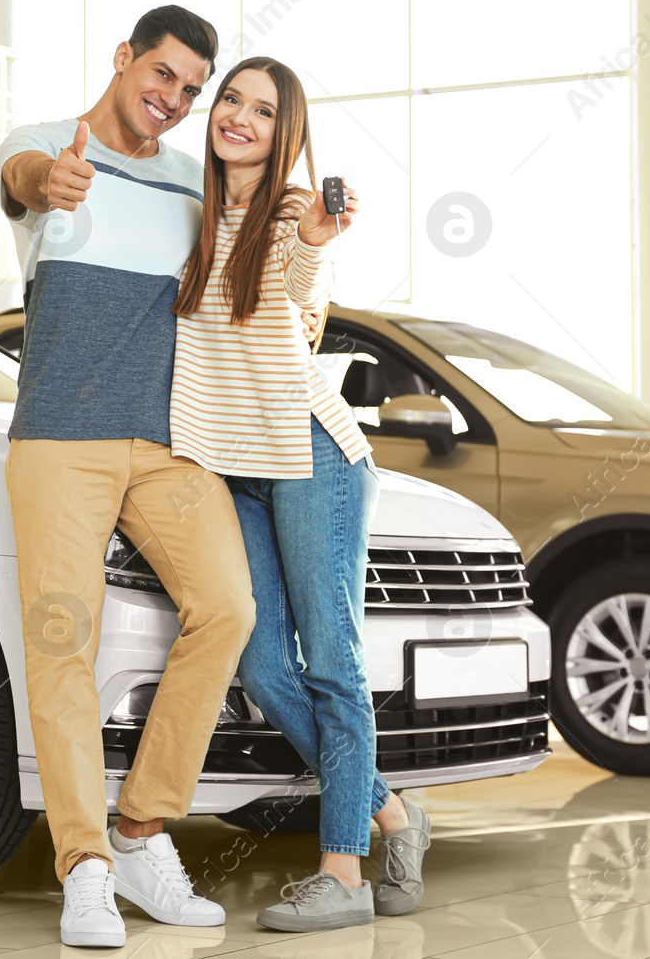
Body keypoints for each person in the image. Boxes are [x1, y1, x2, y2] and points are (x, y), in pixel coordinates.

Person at [0, 5, 253, 948]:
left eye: (191, 90)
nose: (175, 100)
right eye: (164, 76)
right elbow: (26, 179)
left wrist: (310, 232)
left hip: (166, 442)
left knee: (227, 606)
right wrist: (54, 180)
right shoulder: (41, 147)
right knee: (65, 640)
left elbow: (251, 272)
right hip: (60, 437)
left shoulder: (194, 183)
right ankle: (86, 868)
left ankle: (142, 829)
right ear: (123, 58)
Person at [169, 56, 432, 932]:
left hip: (312, 449)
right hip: (232, 462)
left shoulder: (287, 211)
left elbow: (299, 294)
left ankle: (343, 872)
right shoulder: (195, 213)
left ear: (287, 131)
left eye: (263, 109)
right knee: (260, 661)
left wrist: (317, 239)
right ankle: (393, 812)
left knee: (331, 660)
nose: (239, 116)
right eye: (230, 100)